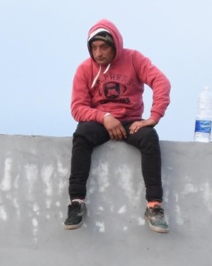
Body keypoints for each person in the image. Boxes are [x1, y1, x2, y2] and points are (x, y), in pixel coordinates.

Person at [65, 19, 171, 233]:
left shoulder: (133, 59)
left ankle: (154, 206)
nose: (98, 53)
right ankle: (77, 202)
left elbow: (161, 82)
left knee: (150, 137)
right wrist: (104, 117)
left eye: (103, 47)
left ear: (115, 45)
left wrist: (153, 116)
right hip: (101, 121)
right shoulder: (85, 69)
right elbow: (77, 107)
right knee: (82, 134)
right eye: (94, 48)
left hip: (131, 121)